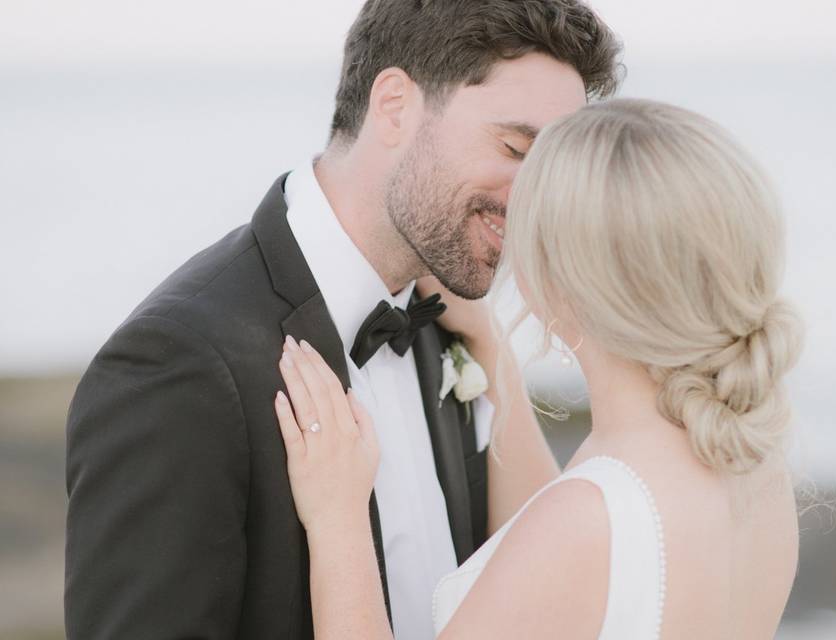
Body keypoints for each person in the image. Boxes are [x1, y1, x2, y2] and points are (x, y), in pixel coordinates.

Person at [63, 1, 621, 638]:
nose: (538, 198)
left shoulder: (451, 325)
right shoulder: (179, 360)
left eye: (551, 167)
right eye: (515, 147)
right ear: (394, 107)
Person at [273, 98, 805, 639]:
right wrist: (489, 346)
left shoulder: (584, 524)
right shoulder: (756, 474)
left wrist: (339, 522)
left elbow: (570, 549)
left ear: (562, 278)